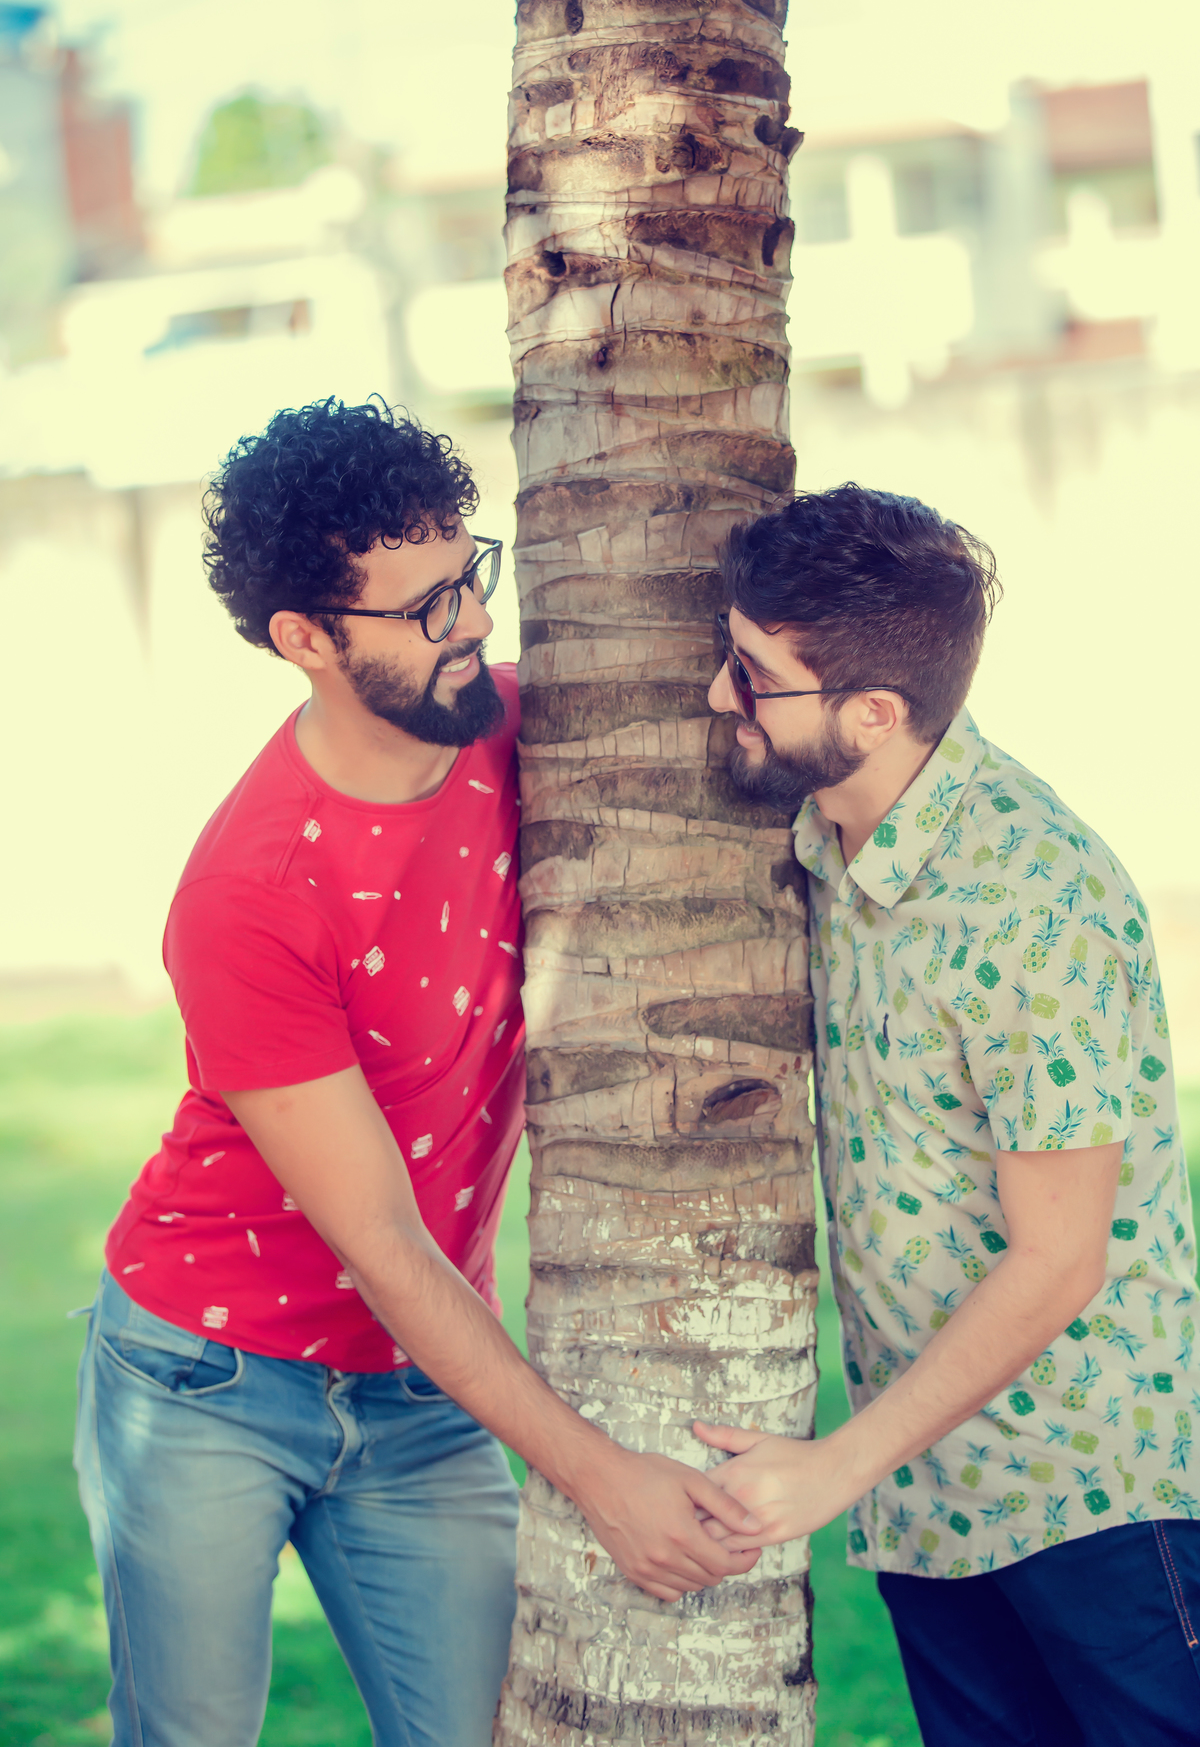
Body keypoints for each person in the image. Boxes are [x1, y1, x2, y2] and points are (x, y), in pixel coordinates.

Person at [74, 398, 761, 1747]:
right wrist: (596, 1479)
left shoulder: (519, 736)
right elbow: (381, 1238)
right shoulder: (252, 891)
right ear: (305, 640)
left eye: (468, 577)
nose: (470, 624)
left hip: (418, 1384)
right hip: (206, 1381)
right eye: (422, 606)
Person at [697, 484, 1200, 1746]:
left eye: (754, 678)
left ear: (875, 712)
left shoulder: (1032, 903)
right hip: (933, 1497)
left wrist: (832, 1468)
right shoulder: (826, 836)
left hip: (1094, 1498)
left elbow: (1059, 1259)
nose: (719, 697)